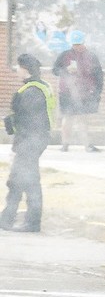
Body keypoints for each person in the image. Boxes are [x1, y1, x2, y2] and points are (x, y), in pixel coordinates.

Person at [2, 54, 55, 232]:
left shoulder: (30, 92)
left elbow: (27, 123)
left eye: (18, 67)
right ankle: (7, 218)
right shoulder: (41, 87)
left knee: (28, 180)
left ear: (24, 68)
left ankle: (31, 222)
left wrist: (16, 147)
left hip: (29, 141)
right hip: (37, 139)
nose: (16, 70)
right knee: (18, 180)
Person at [52, 32, 103, 152]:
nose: (77, 47)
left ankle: (87, 145)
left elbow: (98, 75)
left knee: (83, 118)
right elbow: (55, 70)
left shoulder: (91, 56)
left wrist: (97, 91)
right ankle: (65, 144)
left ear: (84, 43)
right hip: (67, 92)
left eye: (79, 44)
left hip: (84, 92)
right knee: (68, 117)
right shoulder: (65, 55)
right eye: (75, 44)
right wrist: (65, 71)